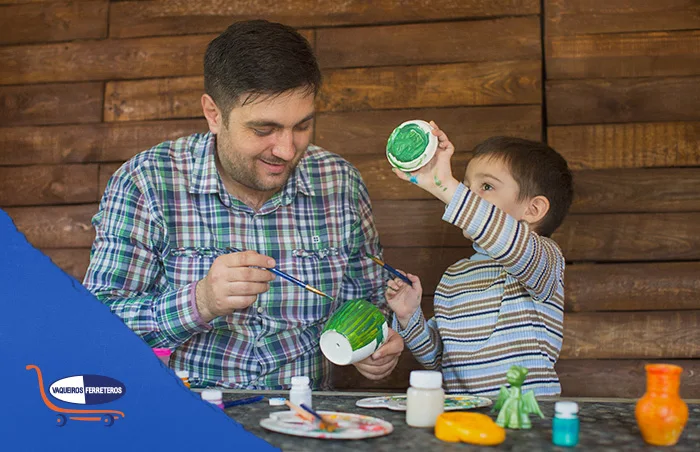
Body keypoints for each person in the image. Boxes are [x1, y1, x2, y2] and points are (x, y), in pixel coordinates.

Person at [83, 20, 403, 390]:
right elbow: (94, 328)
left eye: (302, 126)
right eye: (263, 130)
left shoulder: (340, 182)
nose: (286, 150)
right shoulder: (147, 181)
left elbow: (368, 304)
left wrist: (374, 347)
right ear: (214, 114)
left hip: (307, 423)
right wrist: (200, 301)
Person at [385, 123, 573, 396]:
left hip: (527, 418)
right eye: (465, 185)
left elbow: (508, 241)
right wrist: (409, 317)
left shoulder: (545, 259)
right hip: (465, 416)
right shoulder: (455, 276)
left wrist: (444, 185)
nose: (469, 194)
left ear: (533, 209)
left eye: (486, 186)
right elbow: (438, 360)